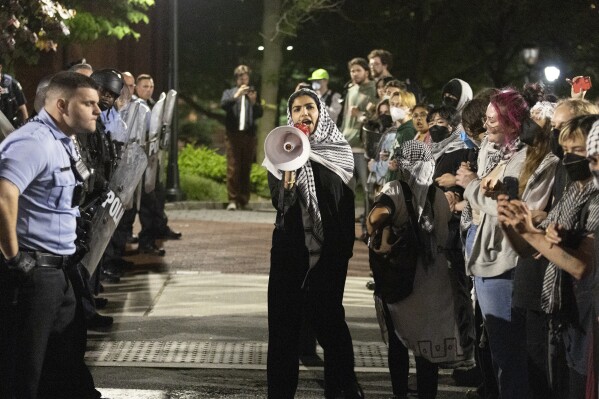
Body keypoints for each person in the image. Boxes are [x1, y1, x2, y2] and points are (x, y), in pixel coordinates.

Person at [0, 71, 102, 399]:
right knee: (22, 374)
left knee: (62, 368)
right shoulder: (33, 141)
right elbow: (4, 195)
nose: (97, 111)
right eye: (88, 103)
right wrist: (13, 257)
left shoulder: (63, 141)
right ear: (61, 104)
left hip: (59, 272)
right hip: (33, 273)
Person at [264, 88, 363, 399]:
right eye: (296, 109)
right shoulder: (280, 150)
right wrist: (289, 172)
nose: (303, 114)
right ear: (289, 116)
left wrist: (340, 253)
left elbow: (344, 207)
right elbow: (280, 203)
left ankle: (342, 388)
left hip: (329, 256)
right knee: (283, 331)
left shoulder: (340, 152)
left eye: (309, 107)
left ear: (321, 113)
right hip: (290, 255)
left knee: (331, 325)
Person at [497, 115, 599, 398]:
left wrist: (532, 234)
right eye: (565, 151)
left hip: (587, 320)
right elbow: (530, 250)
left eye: (577, 151)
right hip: (563, 315)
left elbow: (580, 266)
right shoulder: (573, 192)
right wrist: (512, 226)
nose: (568, 159)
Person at [367, 140, 475, 399]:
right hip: (435, 275)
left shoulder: (395, 189)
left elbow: (377, 215)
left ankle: (400, 393)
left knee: (399, 340)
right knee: (426, 344)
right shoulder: (437, 195)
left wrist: (379, 231)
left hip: (404, 273)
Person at [455, 89, 532, 398]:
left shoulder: (526, 158)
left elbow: (505, 209)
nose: (485, 128)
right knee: (497, 348)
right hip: (485, 252)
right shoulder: (493, 147)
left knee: (509, 352)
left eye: (492, 121)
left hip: (504, 258)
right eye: (485, 120)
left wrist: (471, 186)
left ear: (513, 122)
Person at [340, 57, 377, 238]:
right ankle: (345, 227)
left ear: (366, 72)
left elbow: (376, 117)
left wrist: (361, 114)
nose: (355, 74)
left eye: (358, 71)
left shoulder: (374, 89)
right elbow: (346, 118)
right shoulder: (350, 89)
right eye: (352, 71)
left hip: (363, 147)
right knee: (346, 190)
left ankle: (367, 228)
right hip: (347, 144)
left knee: (368, 190)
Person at [221, 64, 263, 211]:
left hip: (249, 135)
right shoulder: (230, 92)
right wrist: (237, 95)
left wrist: (253, 102)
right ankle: (232, 199)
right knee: (233, 167)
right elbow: (224, 105)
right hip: (233, 135)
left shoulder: (253, 93)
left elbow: (260, 113)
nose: (243, 79)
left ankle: (243, 200)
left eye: (245, 77)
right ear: (236, 79)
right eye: (240, 77)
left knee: (246, 167)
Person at [0, 56, 28, 128]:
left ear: (0, 67)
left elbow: (23, 107)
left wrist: (26, 128)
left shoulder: (12, 84)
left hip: (10, 127)